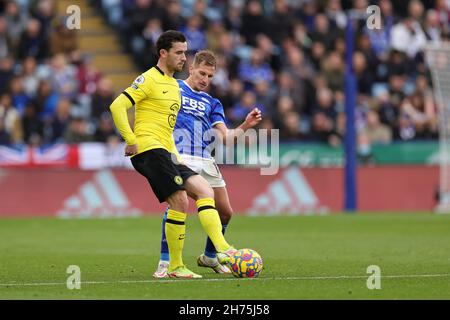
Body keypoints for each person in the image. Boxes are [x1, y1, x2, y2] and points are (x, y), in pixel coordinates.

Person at [109, 31, 236, 279]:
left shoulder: (171, 84)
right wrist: (130, 139)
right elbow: (117, 106)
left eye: (185, 52)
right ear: (163, 53)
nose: (183, 57)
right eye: (179, 52)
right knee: (179, 200)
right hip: (149, 149)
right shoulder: (149, 79)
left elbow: (168, 125)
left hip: (168, 151)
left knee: (204, 191)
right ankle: (181, 263)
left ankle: (215, 251)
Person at [153, 50, 262, 278]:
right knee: (177, 204)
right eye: (202, 73)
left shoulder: (212, 103)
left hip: (205, 160)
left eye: (210, 76)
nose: (205, 79)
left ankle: (210, 257)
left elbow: (226, 138)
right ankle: (166, 261)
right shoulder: (173, 88)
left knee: (225, 212)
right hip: (178, 157)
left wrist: (245, 125)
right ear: (191, 69)